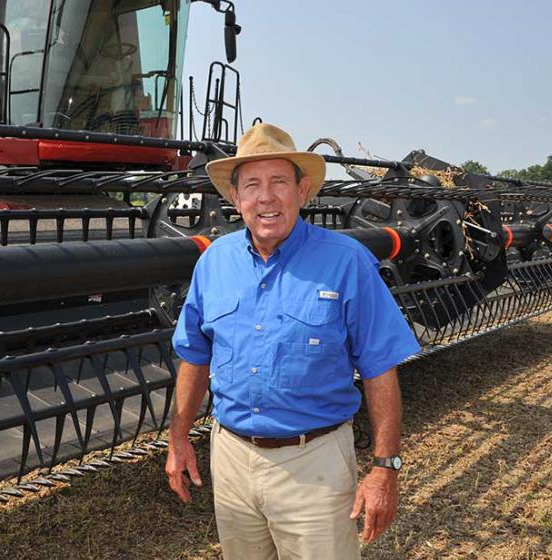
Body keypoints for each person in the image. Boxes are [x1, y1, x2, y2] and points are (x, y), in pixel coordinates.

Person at [165, 122, 421, 559]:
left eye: (279, 182)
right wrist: (179, 436)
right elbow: (195, 354)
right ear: (235, 198)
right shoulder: (214, 263)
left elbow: (380, 367)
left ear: (303, 192)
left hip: (314, 464)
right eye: (252, 185)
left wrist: (385, 469)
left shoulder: (347, 262)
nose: (266, 197)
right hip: (230, 460)